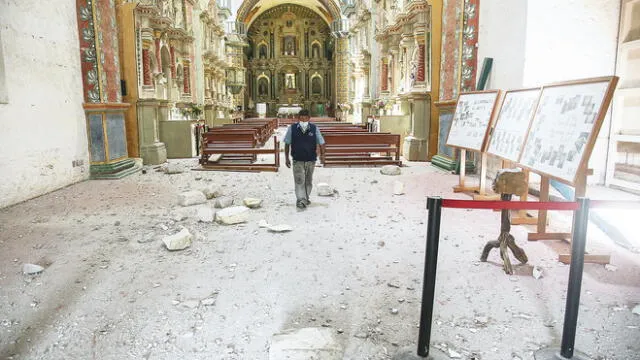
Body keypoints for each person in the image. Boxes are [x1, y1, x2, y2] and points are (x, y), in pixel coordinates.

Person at [284, 109, 326, 209]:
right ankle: (300, 199)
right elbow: (287, 143)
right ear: (298, 118)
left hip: (311, 159)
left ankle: (306, 198)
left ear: (309, 118)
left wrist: (323, 155)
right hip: (297, 159)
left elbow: (321, 142)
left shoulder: (314, 128)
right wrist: (286, 158)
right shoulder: (292, 128)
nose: (303, 119)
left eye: (305, 117)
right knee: (299, 180)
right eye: (301, 117)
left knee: (308, 180)